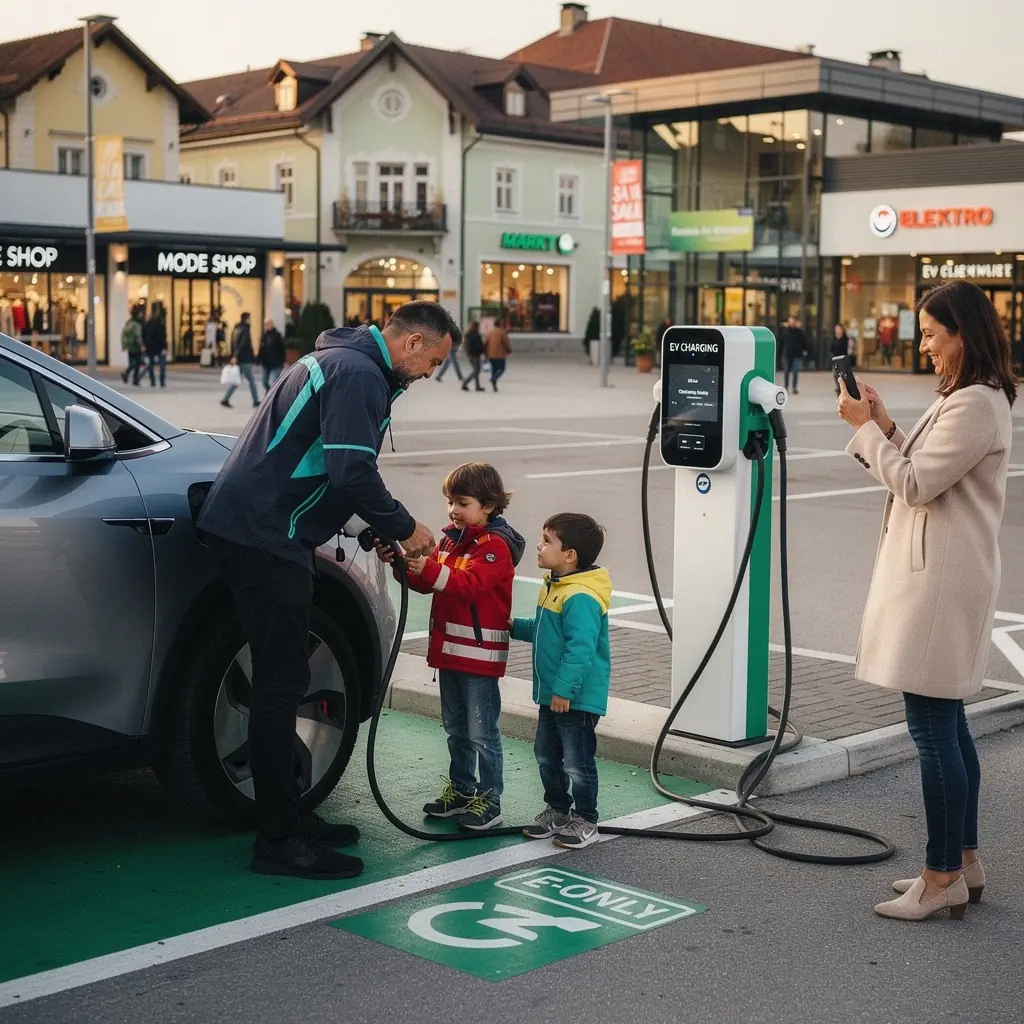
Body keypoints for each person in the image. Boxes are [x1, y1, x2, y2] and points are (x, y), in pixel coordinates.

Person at [196, 300, 458, 880]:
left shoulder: (338, 360)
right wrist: (402, 526)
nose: (428, 374)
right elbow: (351, 472)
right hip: (267, 536)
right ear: (412, 343)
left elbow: (316, 463)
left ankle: (289, 813)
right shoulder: (361, 374)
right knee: (280, 683)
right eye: (432, 361)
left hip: (261, 529)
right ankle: (278, 841)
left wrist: (368, 528)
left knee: (283, 677)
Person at [837, 281, 1015, 922]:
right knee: (947, 724)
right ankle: (962, 861)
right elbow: (922, 462)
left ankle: (940, 876)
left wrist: (864, 432)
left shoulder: (974, 404)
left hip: (940, 582)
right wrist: (883, 424)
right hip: (941, 574)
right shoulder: (971, 399)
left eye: (932, 335)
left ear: (963, 334)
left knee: (933, 730)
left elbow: (914, 482)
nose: (924, 346)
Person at [380, 463, 525, 830]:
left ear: (488, 506)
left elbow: (468, 584)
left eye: (462, 502)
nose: (453, 510)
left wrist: (425, 568)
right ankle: (463, 790)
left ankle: (490, 800)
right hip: (451, 656)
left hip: (478, 660)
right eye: (450, 502)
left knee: (481, 732)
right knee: (456, 729)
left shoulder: (494, 547)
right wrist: (403, 564)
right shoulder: (450, 541)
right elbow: (430, 583)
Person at [513, 513, 611, 850]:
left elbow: (580, 649)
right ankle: (558, 810)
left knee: (577, 762)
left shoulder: (580, 596)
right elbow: (546, 631)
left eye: (546, 541)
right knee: (546, 754)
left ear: (569, 555)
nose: (538, 546)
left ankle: (586, 818)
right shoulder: (555, 586)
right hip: (552, 695)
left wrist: (564, 691)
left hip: (573, 699)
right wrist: (515, 626)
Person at [221, 312, 260, 409]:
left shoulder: (236, 329)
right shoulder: (245, 330)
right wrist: (236, 356)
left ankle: (225, 399)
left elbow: (233, 344)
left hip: (239, 359)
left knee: (236, 380)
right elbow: (242, 344)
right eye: (249, 318)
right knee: (251, 380)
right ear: (246, 319)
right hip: (245, 359)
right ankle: (256, 401)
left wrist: (233, 355)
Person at [779, 315, 808, 394]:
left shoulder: (800, 332)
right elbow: (781, 342)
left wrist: (805, 350)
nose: (792, 323)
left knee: (795, 371)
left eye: (793, 321)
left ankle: (794, 387)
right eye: (790, 321)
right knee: (786, 371)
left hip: (797, 354)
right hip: (787, 354)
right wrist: (780, 352)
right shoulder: (785, 331)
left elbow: (804, 342)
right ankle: (786, 386)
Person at [259, 317, 286, 394]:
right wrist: (258, 360)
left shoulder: (277, 335)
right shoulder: (264, 336)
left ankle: (272, 395)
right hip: (266, 362)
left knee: (274, 381)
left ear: (272, 324)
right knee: (264, 381)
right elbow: (261, 348)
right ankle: (269, 392)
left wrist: (283, 360)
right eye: (265, 324)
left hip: (276, 362)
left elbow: (282, 348)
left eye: (268, 324)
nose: (267, 325)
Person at [142, 306, 168, 388]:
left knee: (151, 365)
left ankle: (153, 381)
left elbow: (143, 336)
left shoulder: (147, 325)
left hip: (150, 348)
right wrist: (165, 347)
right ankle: (162, 382)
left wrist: (144, 345)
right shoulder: (161, 325)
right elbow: (163, 337)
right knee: (162, 365)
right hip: (160, 347)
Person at [484, 320, 512, 392]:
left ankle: (494, 386)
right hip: (500, 355)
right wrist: (509, 351)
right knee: (502, 369)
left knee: (494, 369)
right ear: (500, 325)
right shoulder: (502, 332)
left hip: (491, 354)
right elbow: (506, 343)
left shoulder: (489, 332)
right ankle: (493, 379)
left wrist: (485, 353)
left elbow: (485, 343)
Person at [120, 306, 144, 386]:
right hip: (136, 346)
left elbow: (123, 334)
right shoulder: (137, 325)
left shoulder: (128, 323)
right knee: (137, 364)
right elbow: (138, 336)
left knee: (132, 363)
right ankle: (135, 379)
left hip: (129, 346)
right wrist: (141, 345)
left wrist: (123, 345)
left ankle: (126, 374)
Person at [461, 319, 485, 393]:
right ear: (475, 326)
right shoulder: (473, 334)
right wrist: (481, 349)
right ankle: (465, 383)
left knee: (476, 370)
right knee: (476, 370)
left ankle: (477, 386)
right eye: (478, 326)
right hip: (474, 354)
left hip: (473, 354)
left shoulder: (469, 334)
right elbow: (475, 345)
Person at [831, 322, 851, 396]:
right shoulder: (834, 338)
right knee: (835, 374)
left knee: (842, 375)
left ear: (842, 330)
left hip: (842, 358)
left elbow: (846, 349)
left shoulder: (845, 338)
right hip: (835, 358)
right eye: (836, 329)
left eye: (839, 329)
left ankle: (843, 388)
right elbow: (831, 348)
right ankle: (839, 387)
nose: (837, 330)